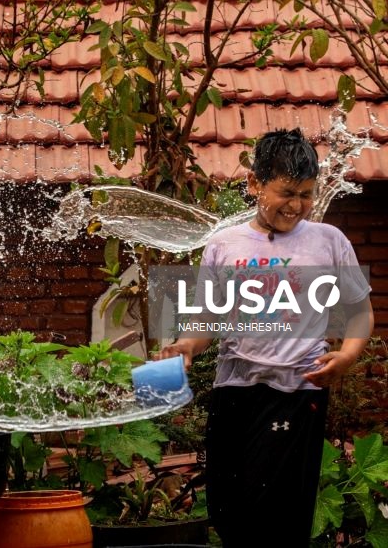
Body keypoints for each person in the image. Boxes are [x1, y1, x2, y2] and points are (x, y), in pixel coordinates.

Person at [158, 128, 374, 547]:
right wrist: (186, 345)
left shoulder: (328, 242)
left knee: (275, 512)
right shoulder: (224, 245)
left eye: (306, 195)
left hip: (297, 389)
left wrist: (347, 357)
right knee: (227, 509)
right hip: (233, 389)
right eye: (286, 192)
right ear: (255, 183)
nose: (296, 206)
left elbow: (360, 312)